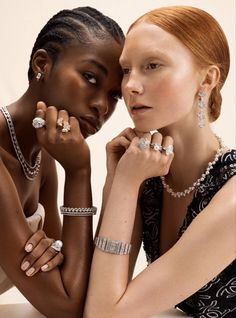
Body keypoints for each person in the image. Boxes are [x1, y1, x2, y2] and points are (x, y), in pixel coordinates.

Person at [84, 6, 236, 318]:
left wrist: (125, 183)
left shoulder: (232, 196)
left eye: (152, 65)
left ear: (207, 79)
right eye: (126, 70)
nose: (130, 86)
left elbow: (103, 314)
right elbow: (99, 295)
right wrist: (117, 180)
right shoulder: (149, 174)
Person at [0, 6, 124, 318]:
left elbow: (73, 285)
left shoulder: (41, 163)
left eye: (114, 95)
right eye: (89, 77)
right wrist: (79, 171)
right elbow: (66, 306)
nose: (101, 106)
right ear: (42, 63)